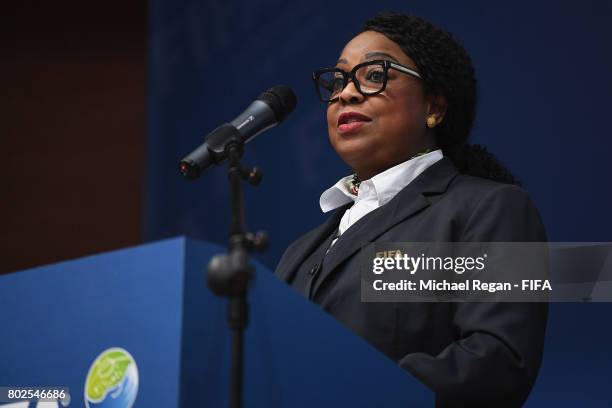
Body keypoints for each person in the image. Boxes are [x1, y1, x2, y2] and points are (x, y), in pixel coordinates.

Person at [275, 12, 547, 407]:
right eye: (338, 80)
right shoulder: (299, 254)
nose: (345, 93)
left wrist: (351, 391)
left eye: (373, 75)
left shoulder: (492, 208)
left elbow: (500, 363)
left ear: (433, 107)